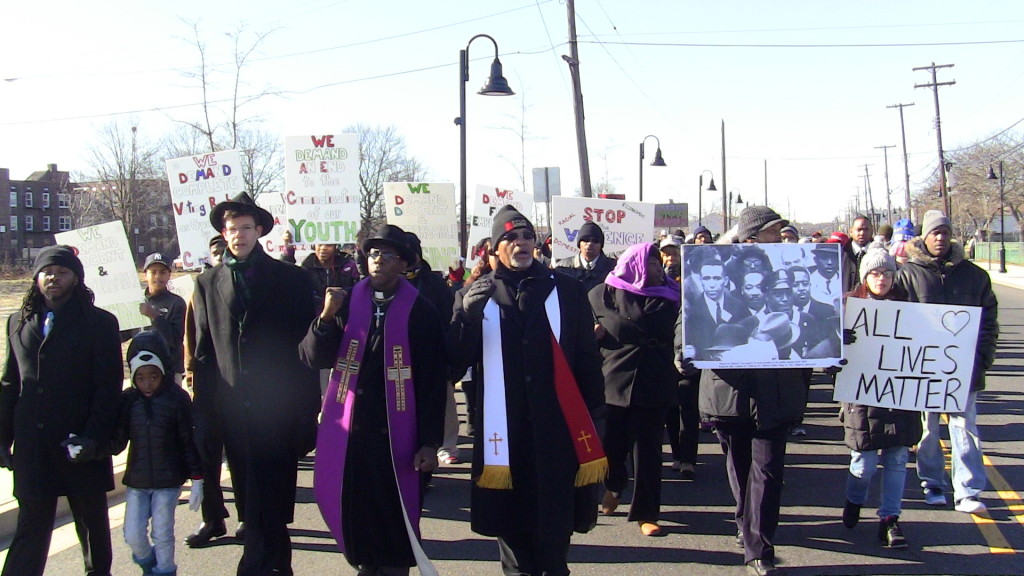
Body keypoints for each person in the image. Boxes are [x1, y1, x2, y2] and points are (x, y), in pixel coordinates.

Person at [448, 205, 607, 576]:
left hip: (558, 434)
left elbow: (586, 358)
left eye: (526, 236)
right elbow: (454, 364)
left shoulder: (565, 290)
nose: (521, 243)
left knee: (554, 548)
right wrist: (466, 319)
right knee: (516, 551)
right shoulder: (474, 294)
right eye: (510, 238)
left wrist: (598, 416)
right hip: (504, 437)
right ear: (493, 248)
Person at [301, 224, 446, 576]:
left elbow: (431, 383)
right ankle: (366, 564)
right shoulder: (346, 302)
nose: (378, 261)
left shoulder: (421, 311)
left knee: (394, 512)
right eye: (374, 253)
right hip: (353, 431)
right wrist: (325, 317)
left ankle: (395, 566)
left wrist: (429, 442)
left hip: (399, 434)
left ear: (404, 265)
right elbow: (312, 357)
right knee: (359, 509)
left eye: (388, 255)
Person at [191, 191, 321, 576]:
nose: (238, 236)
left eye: (246, 228)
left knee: (274, 495)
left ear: (260, 230)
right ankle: (274, 565)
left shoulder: (291, 279)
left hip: (278, 408)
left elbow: (305, 352)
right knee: (250, 495)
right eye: (231, 229)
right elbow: (203, 353)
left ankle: (257, 565)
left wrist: (306, 412)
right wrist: (203, 411)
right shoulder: (207, 282)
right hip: (232, 409)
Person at [693, 206, 808, 576]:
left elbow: (810, 329)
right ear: (751, 238)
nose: (782, 238)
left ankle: (759, 548)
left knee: (769, 469)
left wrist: (836, 343)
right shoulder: (719, 277)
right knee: (739, 465)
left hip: (776, 392)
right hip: (731, 391)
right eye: (775, 232)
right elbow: (691, 322)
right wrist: (687, 348)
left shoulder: (787, 280)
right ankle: (746, 521)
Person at [0, 245, 123, 576]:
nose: (53, 278)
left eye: (62, 271)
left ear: (77, 278)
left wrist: (94, 439)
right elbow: (11, 384)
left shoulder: (99, 323)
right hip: (33, 447)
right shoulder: (18, 322)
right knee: (31, 528)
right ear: (37, 278)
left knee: (92, 528)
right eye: (46, 272)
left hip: (79, 443)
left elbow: (107, 388)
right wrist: (3, 438)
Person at [895, 210, 998, 515]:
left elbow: (988, 321)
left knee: (965, 428)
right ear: (924, 237)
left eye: (944, 232)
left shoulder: (974, 275)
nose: (940, 238)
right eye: (934, 232)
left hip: (964, 370)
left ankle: (967, 490)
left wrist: (982, 360)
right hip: (924, 369)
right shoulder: (908, 274)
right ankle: (932, 483)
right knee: (928, 428)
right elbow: (896, 320)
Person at [76, 331, 204, 576]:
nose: (147, 383)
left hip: (168, 481)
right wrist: (88, 447)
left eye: (153, 377)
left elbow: (188, 441)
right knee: (132, 534)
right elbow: (116, 442)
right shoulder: (128, 402)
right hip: (137, 480)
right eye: (141, 377)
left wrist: (197, 479)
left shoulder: (177, 400)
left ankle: (165, 570)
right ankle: (148, 564)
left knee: (163, 532)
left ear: (163, 373)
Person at [590, 243, 680, 537]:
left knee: (649, 450)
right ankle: (614, 486)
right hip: (616, 380)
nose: (657, 268)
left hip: (655, 380)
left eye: (658, 263)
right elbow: (581, 332)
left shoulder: (674, 296)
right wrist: (593, 335)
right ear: (635, 266)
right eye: (651, 263)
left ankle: (646, 513)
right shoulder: (603, 294)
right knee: (613, 447)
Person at [839, 246, 920, 549]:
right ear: (865, 276)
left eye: (887, 272)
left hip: (899, 395)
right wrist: (839, 344)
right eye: (875, 272)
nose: (882, 278)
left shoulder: (909, 308)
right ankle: (854, 498)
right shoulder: (848, 306)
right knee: (864, 463)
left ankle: (890, 519)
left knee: (898, 458)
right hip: (862, 396)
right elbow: (824, 355)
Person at [182, 235, 241, 549]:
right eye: (216, 252)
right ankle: (212, 517)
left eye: (225, 251)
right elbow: (192, 335)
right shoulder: (202, 286)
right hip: (207, 387)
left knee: (239, 453)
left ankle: (246, 514)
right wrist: (191, 374)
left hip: (239, 388)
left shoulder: (244, 287)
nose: (221, 256)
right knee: (206, 455)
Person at [402, 232, 459, 466]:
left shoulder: (434, 283)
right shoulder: (388, 282)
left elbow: (449, 319)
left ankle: (447, 445)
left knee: (443, 400)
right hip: (399, 356)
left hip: (432, 354)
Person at [139, 252, 187, 382]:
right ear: (145, 275)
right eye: (153, 272)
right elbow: (125, 333)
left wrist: (155, 317)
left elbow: (175, 339)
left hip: (169, 370)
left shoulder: (177, 303)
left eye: (162, 272)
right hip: (141, 369)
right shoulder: (137, 301)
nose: (157, 276)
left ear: (169, 275)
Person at [555, 221, 617, 293]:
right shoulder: (562, 267)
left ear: (601, 245)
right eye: (586, 240)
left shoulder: (614, 269)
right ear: (579, 243)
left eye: (595, 241)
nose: (590, 243)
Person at [299, 243, 360, 311]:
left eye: (328, 245)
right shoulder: (306, 268)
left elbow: (360, 289)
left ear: (335, 247)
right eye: (320, 244)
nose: (323, 248)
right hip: (314, 316)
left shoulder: (350, 266)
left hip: (345, 315)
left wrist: (343, 293)